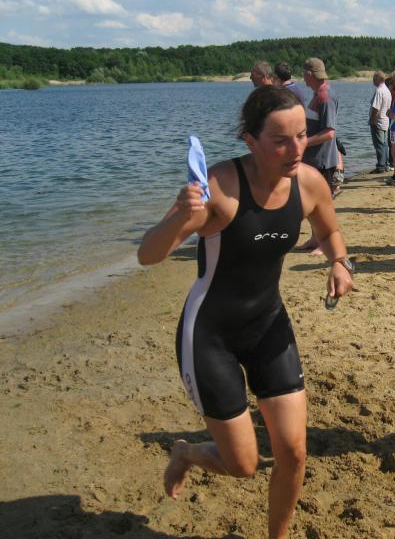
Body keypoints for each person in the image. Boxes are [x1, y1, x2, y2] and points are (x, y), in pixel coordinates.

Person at [137, 85, 354, 539]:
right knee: (243, 464)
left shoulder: (309, 183)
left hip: (268, 325)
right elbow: (149, 255)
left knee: (293, 453)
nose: (296, 149)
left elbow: (330, 232)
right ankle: (187, 453)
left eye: (302, 135)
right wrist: (179, 216)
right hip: (209, 335)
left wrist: (340, 263)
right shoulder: (221, 187)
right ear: (251, 141)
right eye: (280, 140)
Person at [299, 57, 339, 252]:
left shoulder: (325, 96)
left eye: (304, 73)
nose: (303, 77)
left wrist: (303, 142)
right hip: (313, 159)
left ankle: (324, 243)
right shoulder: (318, 94)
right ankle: (315, 239)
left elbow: (330, 132)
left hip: (322, 160)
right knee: (311, 202)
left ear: (309, 74)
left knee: (322, 204)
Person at [369, 71, 392, 173]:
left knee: (379, 144)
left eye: (374, 78)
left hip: (378, 122)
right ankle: (386, 164)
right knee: (384, 144)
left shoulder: (379, 91)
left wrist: (372, 120)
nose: (373, 80)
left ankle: (381, 166)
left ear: (378, 79)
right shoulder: (387, 90)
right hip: (385, 121)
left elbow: (375, 108)